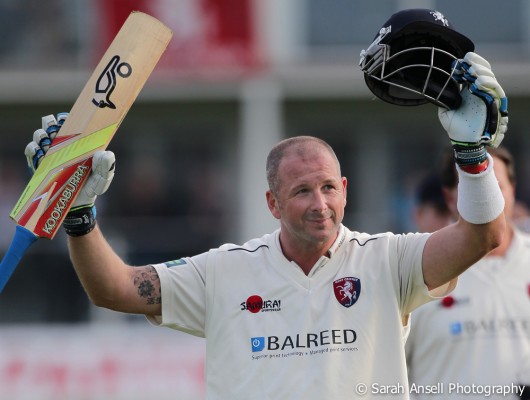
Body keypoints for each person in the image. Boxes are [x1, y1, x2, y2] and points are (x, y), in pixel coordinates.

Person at [22, 12, 508, 400]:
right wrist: (80, 216)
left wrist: (472, 155)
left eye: (327, 188)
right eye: (301, 192)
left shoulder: (388, 259)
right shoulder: (223, 272)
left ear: (345, 188)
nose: (320, 204)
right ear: (271, 204)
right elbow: (116, 290)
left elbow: (481, 236)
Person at [406, 146, 530, 400]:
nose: (487, 198)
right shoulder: (416, 270)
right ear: (450, 199)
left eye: (496, 186)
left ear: (513, 192)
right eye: (473, 185)